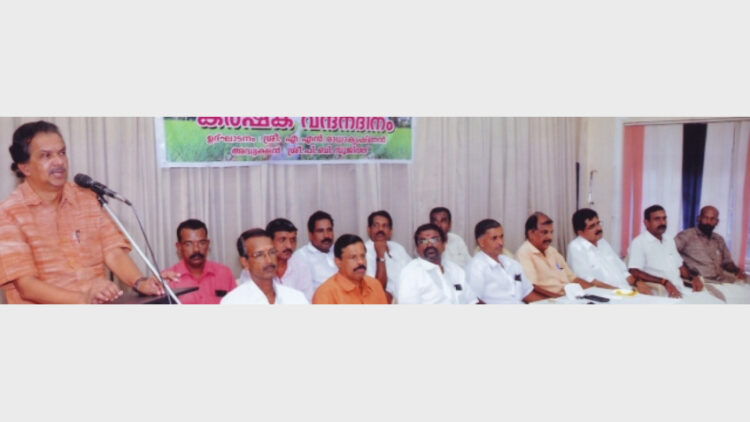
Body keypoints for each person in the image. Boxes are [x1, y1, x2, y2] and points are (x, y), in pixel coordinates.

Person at [0, 120, 165, 304]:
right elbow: (26, 286)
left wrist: (140, 282)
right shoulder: (8, 213)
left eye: (62, 153)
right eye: (46, 156)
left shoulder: (87, 198)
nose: (59, 161)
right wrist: (83, 299)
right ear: (25, 167)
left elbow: (112, 251)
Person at [516, 212, 601, 299]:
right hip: (551, 301)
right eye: (544, 232)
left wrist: (596, 291)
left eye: (551, 232)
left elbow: (572, 278)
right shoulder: (525, 253)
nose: (550, 237)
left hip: (570, 297)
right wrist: (560, 300)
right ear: (531, 234)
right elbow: (531, 287)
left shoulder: (552, 251)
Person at [627, 205, 704, 299]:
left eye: (664, 218)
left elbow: (681, 267)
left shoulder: (669, 239)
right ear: (646, 222)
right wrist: (664, 282)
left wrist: (693, 277)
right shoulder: (639, 242)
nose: (662, 222)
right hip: (661, 293)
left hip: (682, 289)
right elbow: (634, 272)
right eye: (657, 219)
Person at [566, 208, 647, 293]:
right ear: (580, 232)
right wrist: (616, 291)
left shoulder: (602, 242)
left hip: (626, 291)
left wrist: (638, 283)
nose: (598, 228)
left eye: (598, 223)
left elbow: (623, 272)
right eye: (592, 226)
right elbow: (587, 281)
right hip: (605, 294)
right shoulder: (576, 247)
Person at [397, 223, 478, 304]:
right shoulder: (410, 273)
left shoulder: (455, 269)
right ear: (417, 248)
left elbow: (472, 301)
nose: (429, 244)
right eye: (423, 241)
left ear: (444, 244)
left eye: (434, 239)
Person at [222, 228, 308, 304]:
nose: (269, 260)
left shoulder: (295, 298)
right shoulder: (233, 301)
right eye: (259, 254)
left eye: (272, 252)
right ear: (245, 262)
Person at [465, 219, 541, 303]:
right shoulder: (476, 267)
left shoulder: (511, 263)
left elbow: (527, 294)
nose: (501, 242)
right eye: (494, 238)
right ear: (481, 242)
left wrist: (549, 304)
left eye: (501, 237)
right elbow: (473, 301)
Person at [164, 219, 236, 304]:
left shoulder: (224, 273)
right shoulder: (167, 279)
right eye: (188, 244)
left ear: (208, 244)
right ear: (179, 247)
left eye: (202, 243)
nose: (196, 249)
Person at [674, 206, 747, 283]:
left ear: (717, 222)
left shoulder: (719, 239)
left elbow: (727, 262)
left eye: (712, 219)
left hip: (720, 280)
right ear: (699, 218)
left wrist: (737, 270)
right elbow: (669, 251)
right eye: (705, 218)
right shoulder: (686, 235)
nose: (708, 222)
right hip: (699, 281)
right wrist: (681, 267)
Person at [312, 234, 388, 304]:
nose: (361, 262)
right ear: (338, 262)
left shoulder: (375, 285)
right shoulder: (325, 294)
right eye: (353, 257)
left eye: (362, 256)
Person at [364, 210, 411, 302]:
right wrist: (380, 256)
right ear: (369, 230)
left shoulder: (397, 247)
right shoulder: (363, 252)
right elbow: (377, 289)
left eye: (385, 226)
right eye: (376, 225)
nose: (380, 229)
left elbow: (412, 272)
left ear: (390, 231)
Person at [265, 218, 314, 300]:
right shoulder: (256, 268)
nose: (289, 246)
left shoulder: (301, 267)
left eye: (292, 240)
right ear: (269, 241)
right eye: (282, 240)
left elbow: (307, 300)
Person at [290, 210, 337, 291]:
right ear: (310, 235)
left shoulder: (340, 250)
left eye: (329, 230)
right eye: (320, 231)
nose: (326, 235)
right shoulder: (300, 258)